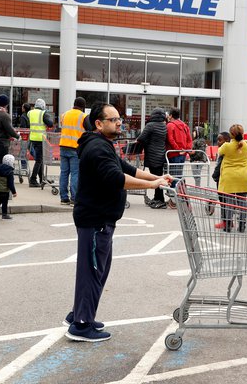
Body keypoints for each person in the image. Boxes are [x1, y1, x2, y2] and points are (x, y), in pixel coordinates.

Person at [64, 102, 171, 342]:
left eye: (119, 118)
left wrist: (158, 177)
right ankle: (81, 325)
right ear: (99, 124)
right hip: (96, 219)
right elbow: (116, 178)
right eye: (113, 120)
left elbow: (128, 170)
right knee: (92, 271)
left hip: (100, 218)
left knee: (95, 271)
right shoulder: (97, 148)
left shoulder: (103, 144)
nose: (119, 122)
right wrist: (152, 185)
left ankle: (80, 315)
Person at [215, 123, 247, 233]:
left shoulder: (226, 146)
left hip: (230, 178)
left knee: (229, 202)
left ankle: (228, 225)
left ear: (231, 135)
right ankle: (242, 225)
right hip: (244, 176)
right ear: (242, 133)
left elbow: (219, 152)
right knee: (242, 201)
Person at [136, 108, 168, 209]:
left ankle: (160, 200)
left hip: (152, 155)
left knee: (156, 178)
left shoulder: (150, 125)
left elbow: (141, 138)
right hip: (161, 155)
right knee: (159, 176)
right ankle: (157, 198)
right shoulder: (164, 126)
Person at [59, 97, 87, 206]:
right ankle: (74, 198)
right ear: (83, 106)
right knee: (75, 173)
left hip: (63, 146)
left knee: (64, 173)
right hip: (75, 148)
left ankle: (63, 198)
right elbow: (89, 129)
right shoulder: (83, 116)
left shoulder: (64, 115)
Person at [165, 108, 192, 203]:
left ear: (171, 116)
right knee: (179, 174)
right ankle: (178, 195)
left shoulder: (170, 125)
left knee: (173, 175)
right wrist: (186, 150)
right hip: (182, 154)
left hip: (173, 153)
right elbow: (189, 139)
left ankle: (174, 198)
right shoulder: (185, 125)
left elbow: (170, 139)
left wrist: (178, 149)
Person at [28, 98, 53, 187]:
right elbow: (50, 123)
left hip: (32, 138)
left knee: (39, 159)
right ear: (43, 106)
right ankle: (33, 179)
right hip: (40, 139)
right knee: (39, 160)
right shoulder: (43, 113)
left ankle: (42, 178)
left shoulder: (30, 113)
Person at [0, 94, 19, 167]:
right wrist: (17, 136)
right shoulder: (4, 115)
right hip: (2, 143)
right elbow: (9, 129)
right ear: (7, 104)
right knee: (0, 162)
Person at [0, 153, 17, 219]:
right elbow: (10, 183)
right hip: (5, 190)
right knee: (4, 202)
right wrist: (14, 192)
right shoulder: (10, 171)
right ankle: (4, 214)